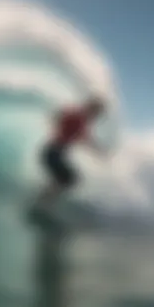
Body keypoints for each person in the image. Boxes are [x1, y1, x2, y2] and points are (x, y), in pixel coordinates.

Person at [28, 96, 107, 229]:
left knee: (67, 179)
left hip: (54, 153)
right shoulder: (78, 116)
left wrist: (98, 150)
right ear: (91, 109)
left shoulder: (82, 121)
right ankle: (41, 206)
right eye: (97, 112)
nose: (97, 116)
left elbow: (85, 139)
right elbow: (62, 115)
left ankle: (41, 205)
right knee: (68, 179)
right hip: (52, 152)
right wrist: (56, 122)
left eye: (98, 114)